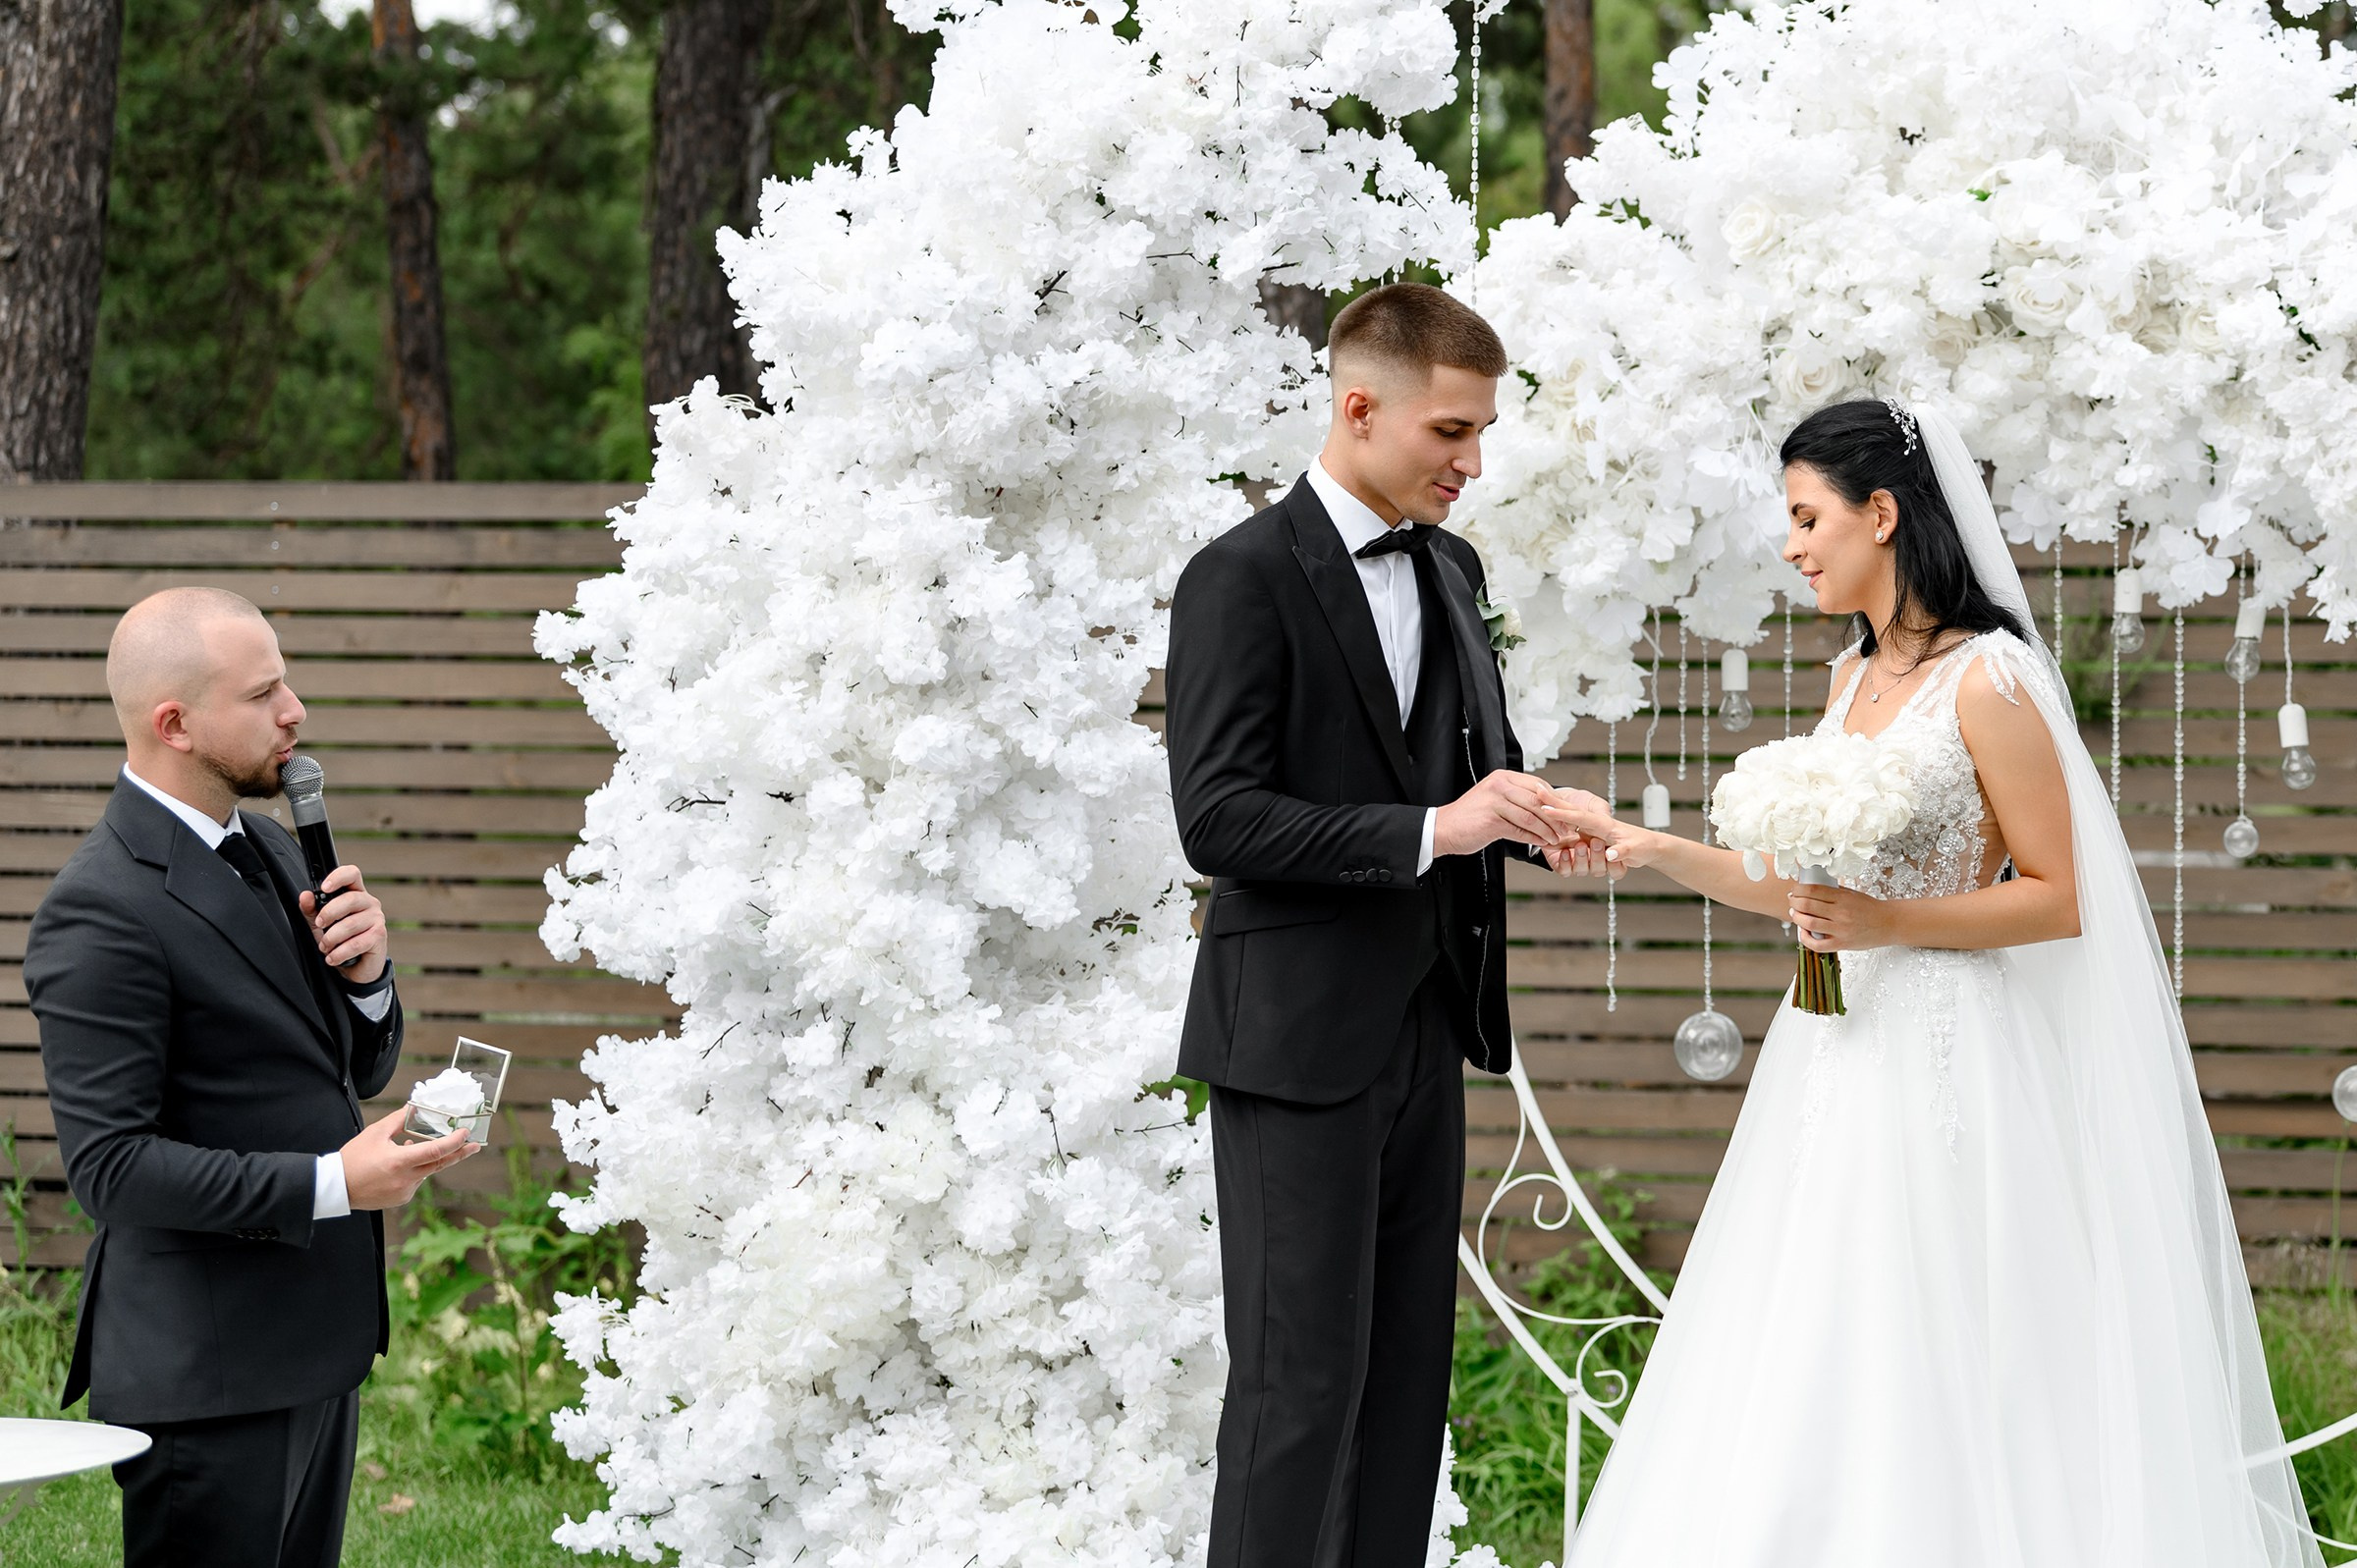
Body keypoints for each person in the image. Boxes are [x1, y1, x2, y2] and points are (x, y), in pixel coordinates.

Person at [1547, 400, 2325, 1566]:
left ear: (1883, 511)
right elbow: (1797, 887)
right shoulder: (1851, 676)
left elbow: (2061, 895)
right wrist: (1648, 844)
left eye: (1808, 518)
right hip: (1835, 1059)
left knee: (1958, 1333)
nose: (1795, 545)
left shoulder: (1990, 678)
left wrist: (1891, 918)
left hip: (1957, 1056)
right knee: (1817, 1328)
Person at [1164, 281, 1608, 1567]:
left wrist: (1527, 814)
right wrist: (1434, 832)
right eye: (1450, 434)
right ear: (1359, 408)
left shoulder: (1453, 567)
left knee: (1407, 1396)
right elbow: (1220, 821)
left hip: (1429, 1031)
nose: (1472, 464)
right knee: (1298, 1390)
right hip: (1294, 1043)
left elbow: (1464, 770)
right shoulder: (1237, 578)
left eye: (1480, 436)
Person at [25, 587, 480, 1568]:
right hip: (209, 1369)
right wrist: (333, 1183)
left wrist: (367, 982)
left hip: (312, 1343)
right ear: (175, 724)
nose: (296, 710)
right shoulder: (98, 910)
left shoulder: (269, 848)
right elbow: (111, 1169)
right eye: (264, 690)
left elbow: (347, 1069)